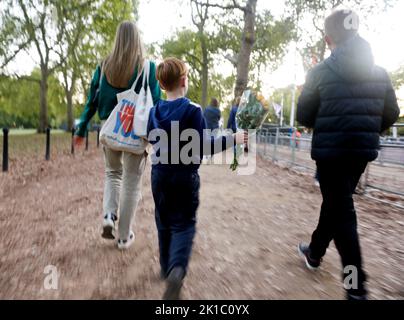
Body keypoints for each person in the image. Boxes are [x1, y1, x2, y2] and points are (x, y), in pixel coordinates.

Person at [296, 9, 400, 300]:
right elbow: (391, 112)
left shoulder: (319, 72)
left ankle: (356, 288)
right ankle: (315, 253)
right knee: (336, 204)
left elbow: (304, 115)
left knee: (341, 211)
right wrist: (366, 129)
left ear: (329, 39)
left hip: (331, 152)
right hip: (360, 153)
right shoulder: (379, 72)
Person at [147, 57, 246, 300]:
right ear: (183, 81)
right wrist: (232, 139)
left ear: (161, 85)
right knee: (184, 224)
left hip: (159, 175)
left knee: (163, 221)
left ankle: (164, 267)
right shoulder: (193, 111)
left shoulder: (154, 111)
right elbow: (203, 147)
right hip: (184, 176)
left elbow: (151, 138)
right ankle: (176, 269)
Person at [74, 21, 161, 249]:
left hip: (111, 128)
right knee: (131, 182)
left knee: (113, 173)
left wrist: (82, 127)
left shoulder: (103, 67)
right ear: (137, 39)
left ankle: (108, 216)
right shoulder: (148, 68)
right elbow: (158, 105)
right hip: (137, 130)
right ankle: (123, 238)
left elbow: (91, 101)